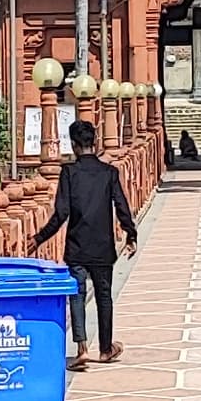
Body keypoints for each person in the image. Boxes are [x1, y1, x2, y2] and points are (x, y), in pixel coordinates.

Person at [31, 116, 136, 369]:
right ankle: (106, 348)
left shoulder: (69, 172)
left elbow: (61, 213)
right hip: (102, 247)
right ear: (95, 142)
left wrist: (38, 238)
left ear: (74, 145)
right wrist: (130, 234)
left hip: (77, 247)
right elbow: (122, 206)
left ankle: (81, 349)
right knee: (103, 297)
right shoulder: (109, 173)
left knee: (77, 296)